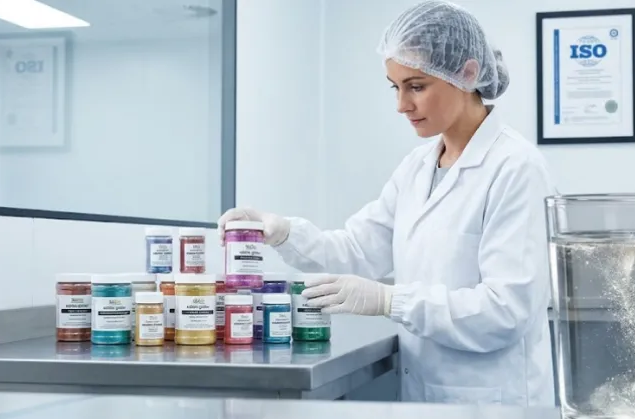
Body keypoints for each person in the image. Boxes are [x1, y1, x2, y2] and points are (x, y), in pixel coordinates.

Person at [218, 0, 556, 407]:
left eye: (416, 86)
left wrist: (390, 300)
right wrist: (285, 232)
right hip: (425, 393)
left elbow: (505, 312)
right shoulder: (417, 168)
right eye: (395, 87)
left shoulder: (515, 167)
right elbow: (359, 251)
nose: (402, 105)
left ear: (467, 74)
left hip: (495, 399)